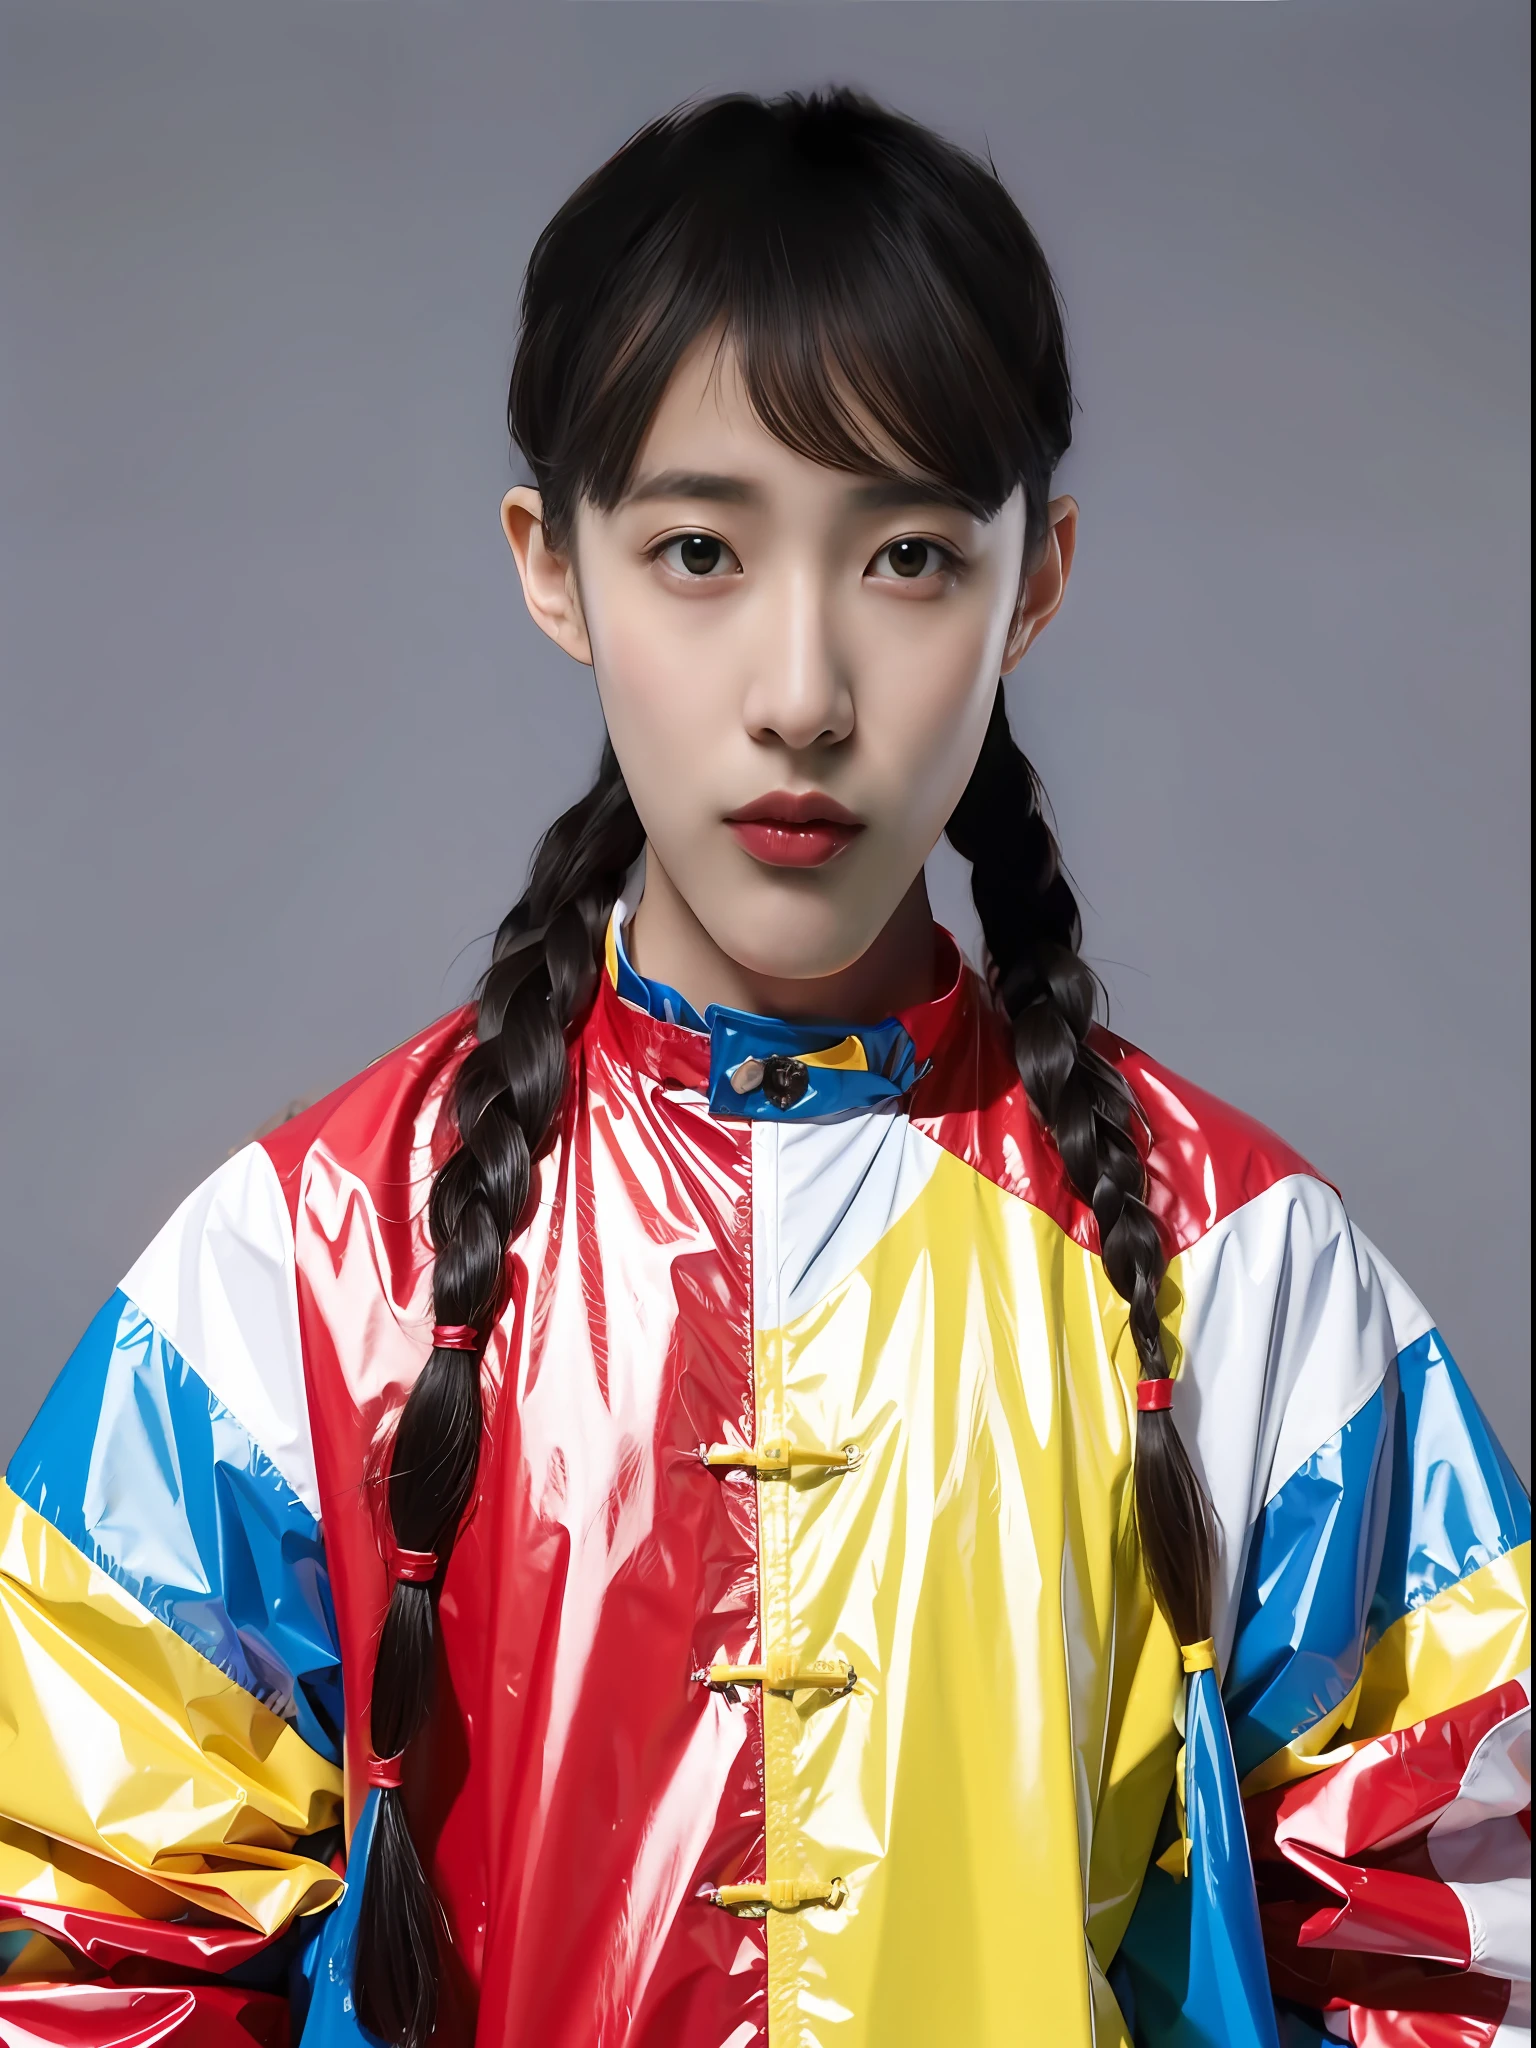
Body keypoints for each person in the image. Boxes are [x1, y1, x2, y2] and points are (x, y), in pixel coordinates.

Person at [0, 89, 1527, 2048]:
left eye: (904, 558)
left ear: (1033, 582)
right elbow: (74, 1950)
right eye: (702, 548)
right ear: (553, 567)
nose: (801, 691)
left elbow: (1469, 1941)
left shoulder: (1247, 1277)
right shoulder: (299, 1274)